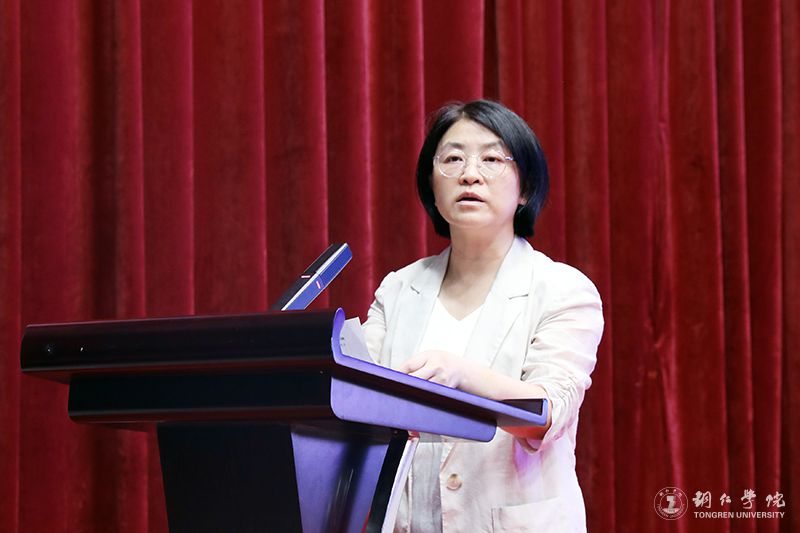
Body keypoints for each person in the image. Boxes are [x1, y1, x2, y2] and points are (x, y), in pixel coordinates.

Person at [363, 100, 604, 533]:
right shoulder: (399, 289)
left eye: (491, 159)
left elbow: (548, 412)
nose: (469, 174)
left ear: (525, 188)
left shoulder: (563, 289)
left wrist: (462, 376)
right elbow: (360, 392)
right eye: (453, 159)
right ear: (432, 185)